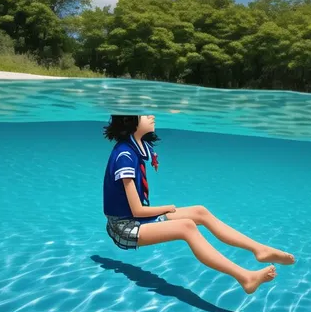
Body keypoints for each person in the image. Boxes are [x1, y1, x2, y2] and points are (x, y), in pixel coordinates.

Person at [102, 115, 295, 294]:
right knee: (186, 227)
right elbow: (137, 210)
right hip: (124, 227)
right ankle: (245, 277)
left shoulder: (136, 146)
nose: (152, 116)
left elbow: (146, 152)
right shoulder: (124, 157)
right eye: (144, 115)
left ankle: (258, 249)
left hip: (136, 219)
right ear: (130, 121)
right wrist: (165, 208)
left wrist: (153, 158)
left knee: (200, 211)